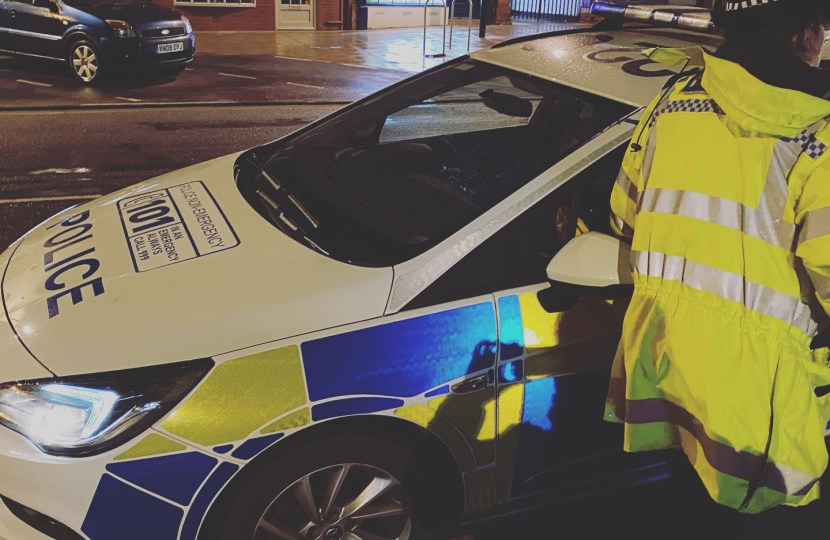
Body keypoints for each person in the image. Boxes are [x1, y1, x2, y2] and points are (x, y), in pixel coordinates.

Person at [604, 0, 830, 513]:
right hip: (764, 390)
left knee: (688, 496)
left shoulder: (674, 100)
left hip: (667, 356)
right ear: (805, 38)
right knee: (770, 508)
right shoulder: (818, 135)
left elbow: (624, 211)